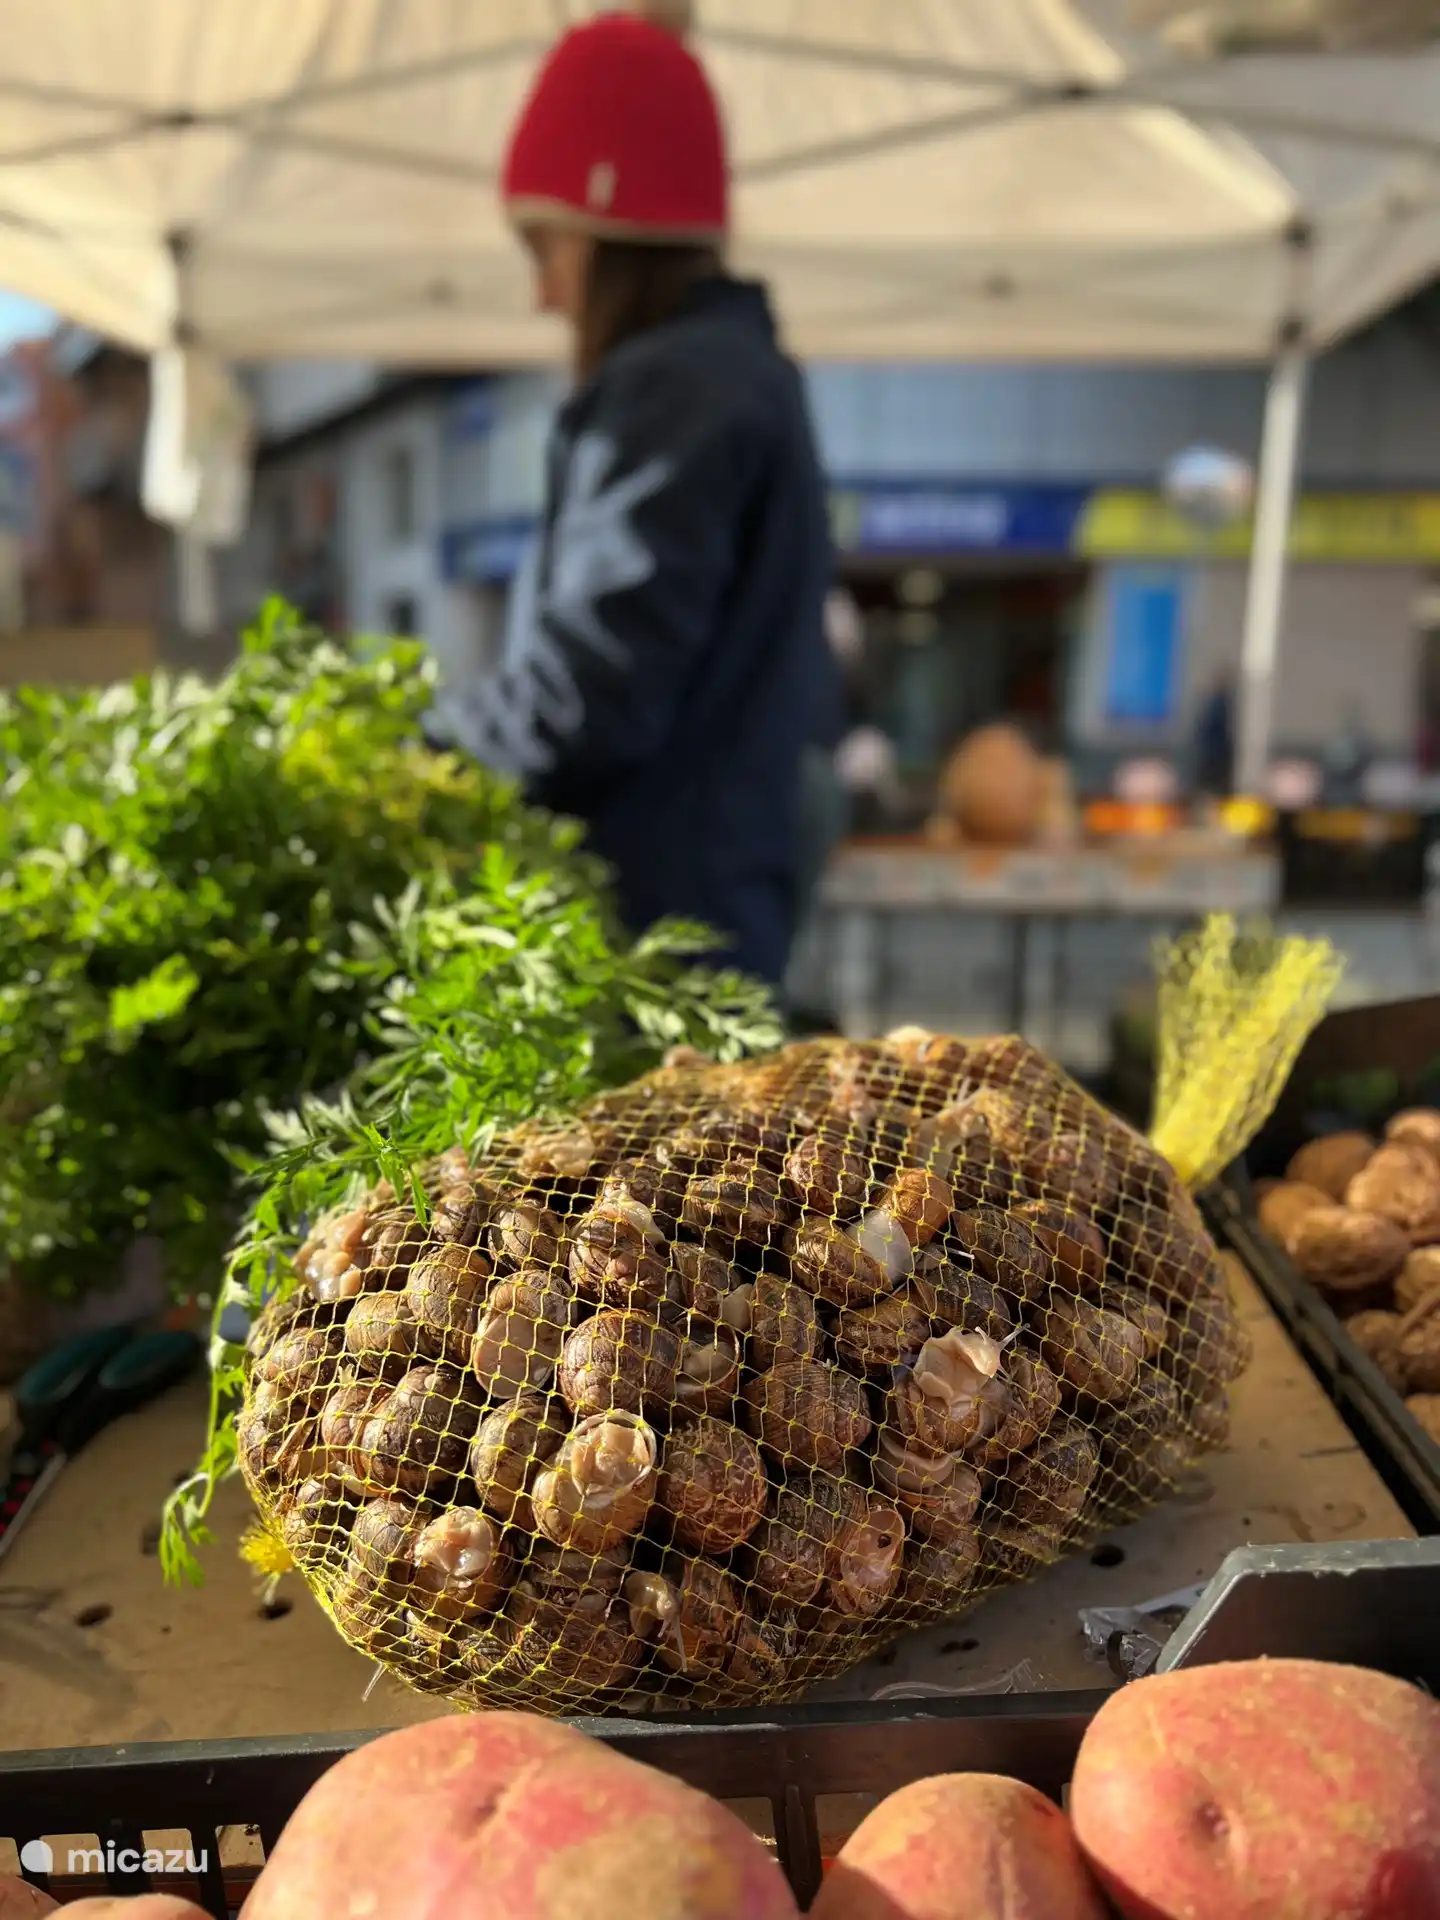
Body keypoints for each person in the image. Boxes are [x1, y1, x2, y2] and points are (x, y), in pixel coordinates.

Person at [439, 2, 835, 990]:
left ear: (609, 235)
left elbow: (587, 699)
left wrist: (407, 742)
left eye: (546, 249)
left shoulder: (676, 389)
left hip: (652, 940)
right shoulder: (738, 374)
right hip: (709, 913)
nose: (542, 295)